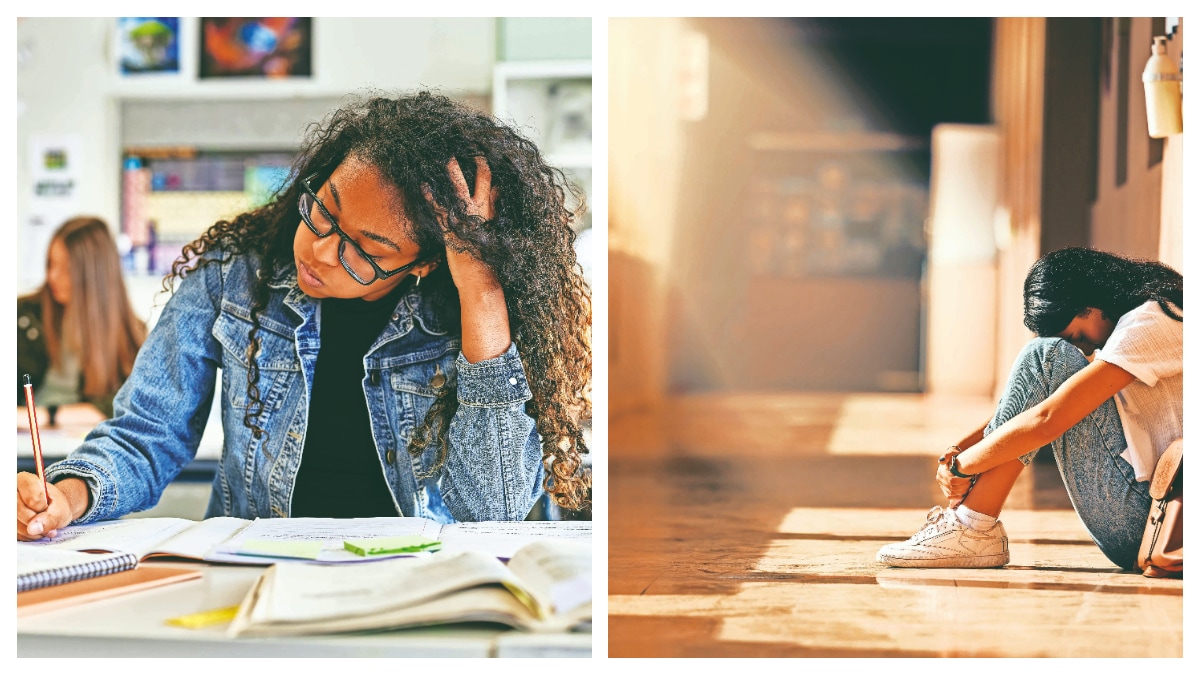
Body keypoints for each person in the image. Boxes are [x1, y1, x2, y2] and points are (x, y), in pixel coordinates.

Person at [17, 91, 592, 540]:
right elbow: (147, 435)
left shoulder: (465, 308)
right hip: (259, 574)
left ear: (422, 264)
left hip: (422, 585)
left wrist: (482, 294)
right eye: (325, 210)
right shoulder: (232, 273)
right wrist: (71, 493)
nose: (319, 251)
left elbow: (494, 511)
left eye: (365, 250)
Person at [877, 247, 1182, 570]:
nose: (1082, 348)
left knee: (1047, 355)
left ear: (1091, 303)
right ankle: (970, 525)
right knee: (1049, 357)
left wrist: (963, 468)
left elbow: (1047, 419)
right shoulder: (1144, 318)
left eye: (1077, 334)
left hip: (1160, 523)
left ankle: (972, 528)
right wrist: (958, 451)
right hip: (1152, 518)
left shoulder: (1154, 320)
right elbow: (1042, 404)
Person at [17, 217, 147, 425]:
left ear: (94, 276)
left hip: (83, 444)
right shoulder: (23, 315)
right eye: (51, 264)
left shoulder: (129, 333)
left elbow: (124, 405)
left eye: (66, 269)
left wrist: (45, 416)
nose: (52, 276)